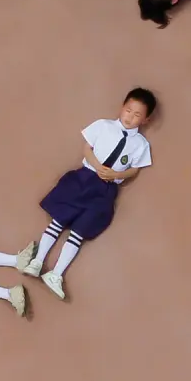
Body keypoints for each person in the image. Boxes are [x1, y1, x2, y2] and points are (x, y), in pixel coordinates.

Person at [15, 87, 155, 300]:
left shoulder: (141, 145)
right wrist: (98, 166)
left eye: (137, 115)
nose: (130, 117)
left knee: (79, 231)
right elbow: (87, 148)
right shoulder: (103, 126)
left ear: (146, 119)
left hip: (106, 190)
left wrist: (117, 174)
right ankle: (38, 261)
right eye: (128, 110)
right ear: (122, 107)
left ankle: (56, 274)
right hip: (84, 179)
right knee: (59, 220)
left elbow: (134, 169)